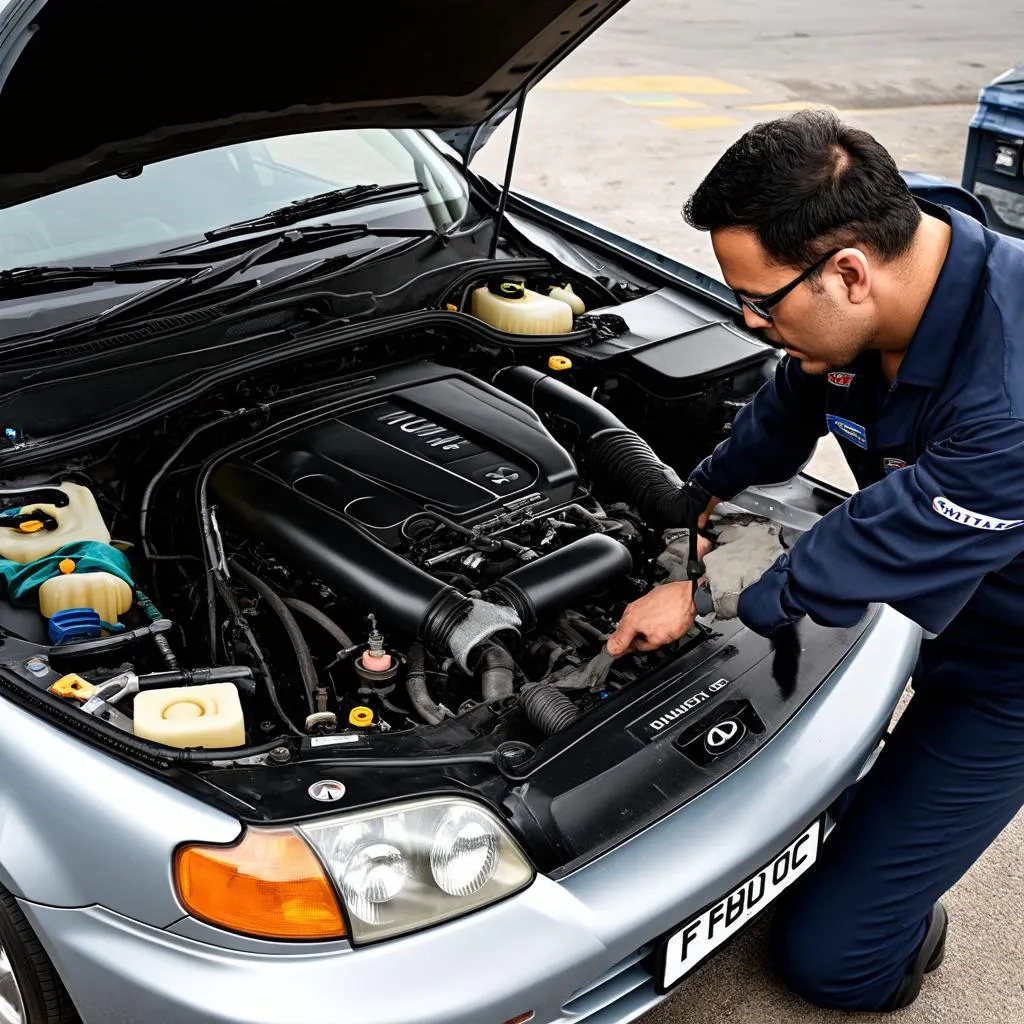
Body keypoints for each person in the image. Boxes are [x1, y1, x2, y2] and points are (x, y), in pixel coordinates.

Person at [605, 108, 1024, 1012]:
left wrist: (700, 595)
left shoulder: (1009, 402)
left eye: (761, 301)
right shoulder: (906, 256)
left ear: (847, 271)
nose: (750, 323)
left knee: (834, 961)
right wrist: (696, 501)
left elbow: (848, 552)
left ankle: (904, 911)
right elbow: (791, 405)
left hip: (1010, 666)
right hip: (947, 589)